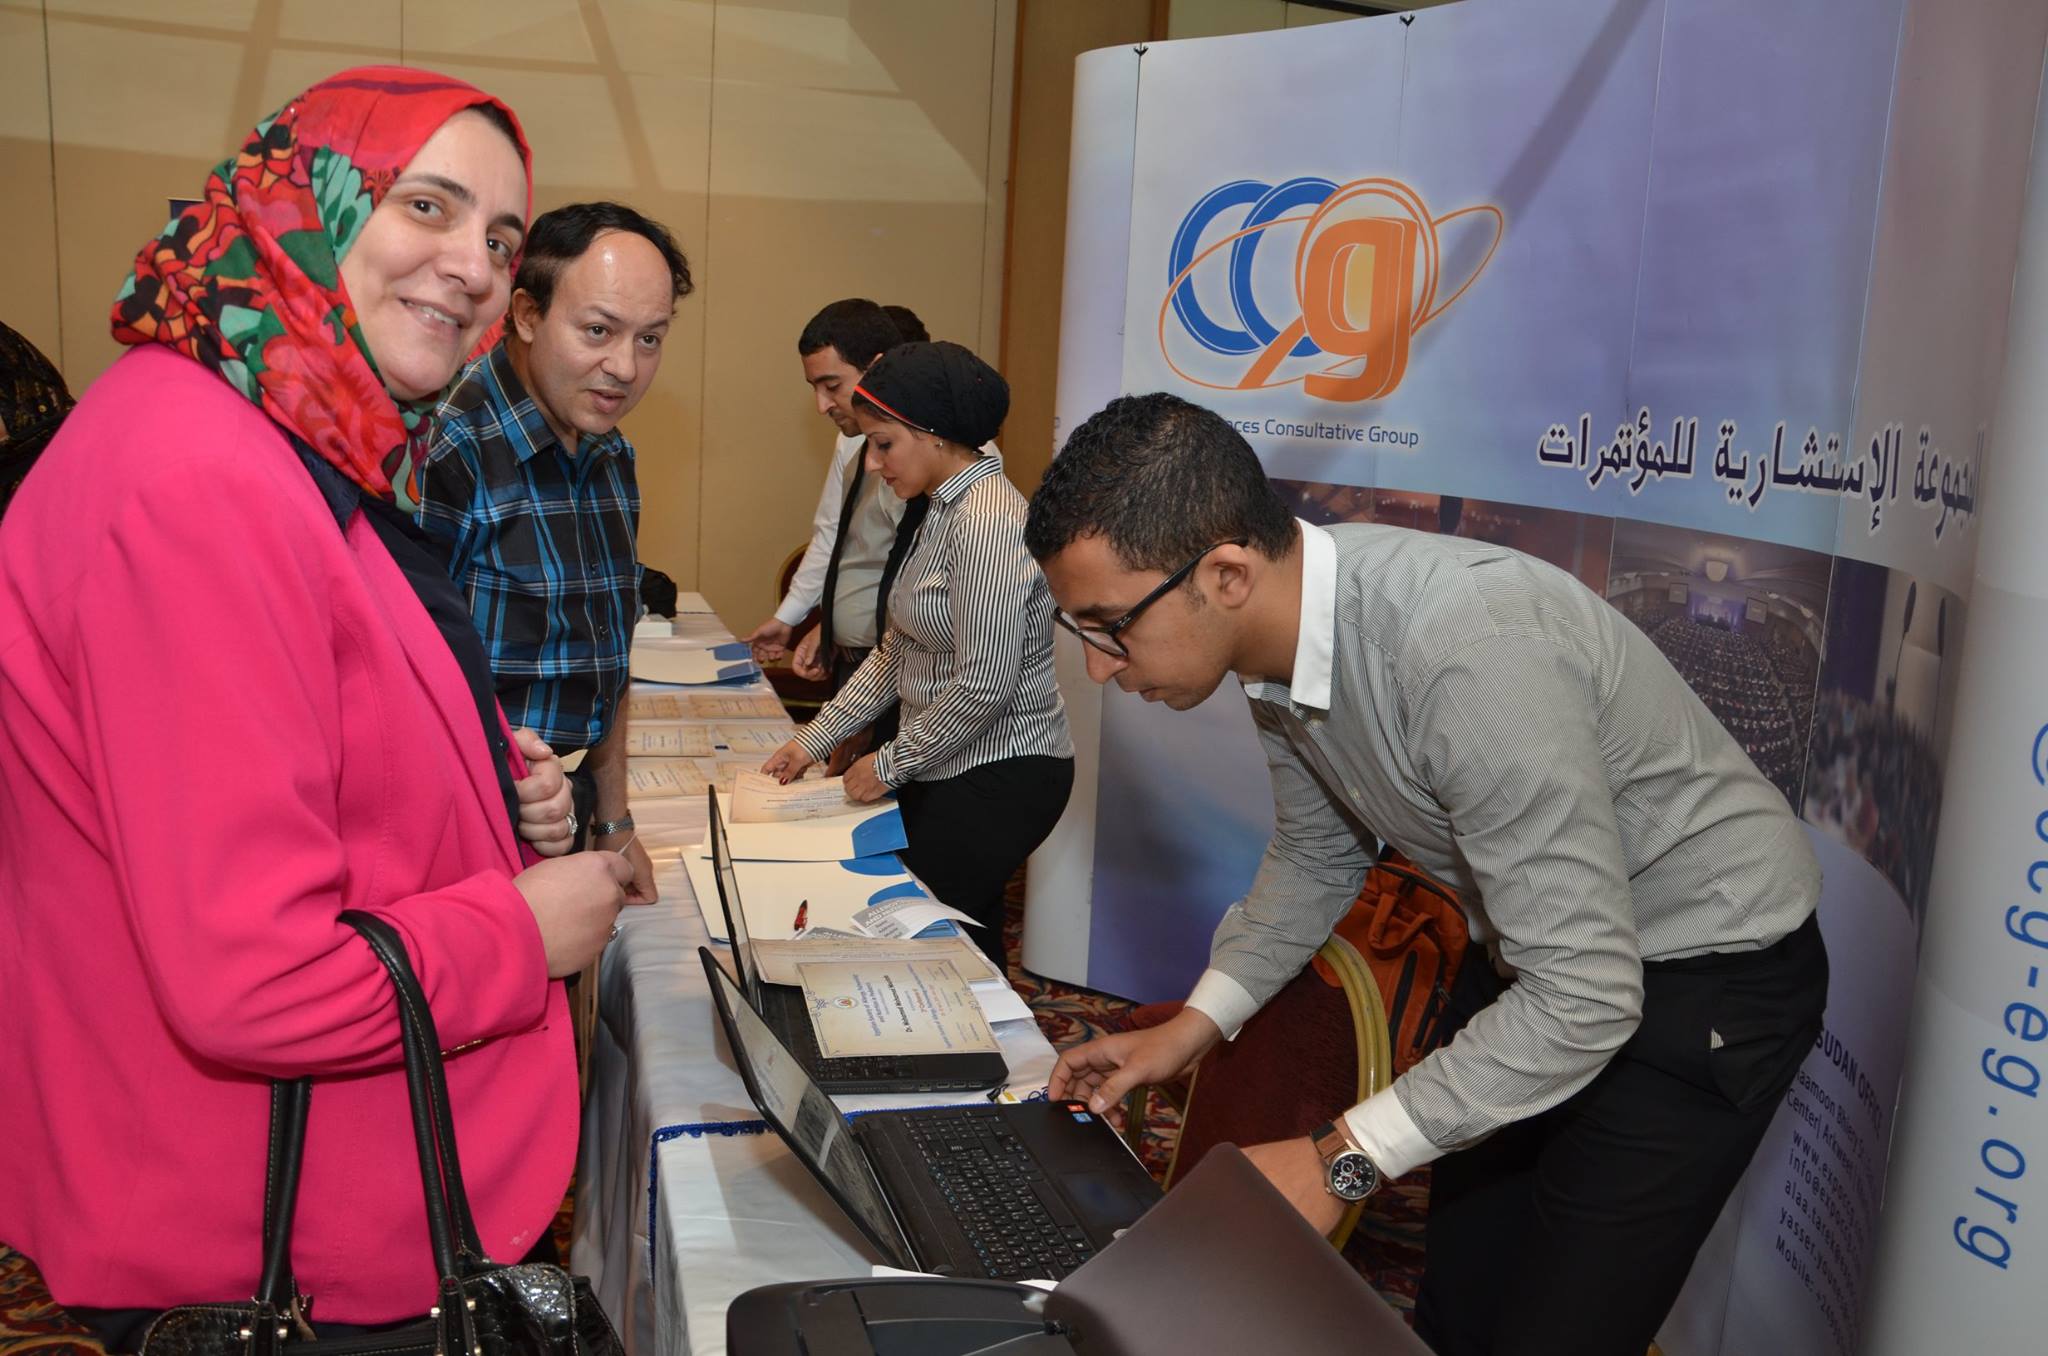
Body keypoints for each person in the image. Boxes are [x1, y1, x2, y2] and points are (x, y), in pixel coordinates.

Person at [0, 68, 635, 1348]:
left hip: (283, 1197)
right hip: (268, 1240)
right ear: (303, 205)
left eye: (500, 239)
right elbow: (253, 977)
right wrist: (521, 930)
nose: (471, 267)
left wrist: (477, 781)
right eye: (426, 205)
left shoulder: (281, 432)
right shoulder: (201, 480)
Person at [1023, 392, 1829, 1356]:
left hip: (1702, 982)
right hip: (1539, 960)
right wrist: (1192, 1028)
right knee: (1462, 1306)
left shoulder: (1465, 651)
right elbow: (1318, 853)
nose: (1102, 668)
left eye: (1110, 626)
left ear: (1227, 573)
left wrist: (1343, 1157)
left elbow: (1586, 996)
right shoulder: (1279, 640)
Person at [415, 201, 695, 903]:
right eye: (598, 330)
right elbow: (402, 686)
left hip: (569, 813)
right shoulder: (447, 450)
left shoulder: (610, 453)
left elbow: (608, 651)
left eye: (650, 339)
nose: (624, 367)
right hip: (470, 828)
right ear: (527, 314)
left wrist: (613, 818)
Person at [762, 342, 1072, 967]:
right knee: (952, 932)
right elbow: (897, 650)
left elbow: (983, 685)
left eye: (884, 444)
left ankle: (979, 1027)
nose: (874, 462)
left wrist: (889, 762)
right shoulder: (940, 508)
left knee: (935, 933)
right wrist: (815, 739)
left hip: (1002, 768)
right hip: (948, 756)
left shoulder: (988, 523)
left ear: (934, 435)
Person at [742, 298, 916, 694]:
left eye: (832, 387)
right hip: (857, 659)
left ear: (876, 369)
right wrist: (805, 620)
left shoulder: (944, 455)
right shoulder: (851, 442)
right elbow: (833, 538)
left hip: (899, 667)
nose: (821, 405)